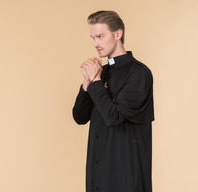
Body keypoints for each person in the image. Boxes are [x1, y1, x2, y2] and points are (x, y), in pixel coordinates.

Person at [72, 10, 154, 192]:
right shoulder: (103, 74)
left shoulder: (139, 73)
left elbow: (113, 117)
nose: (96, 44)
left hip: (126, 177)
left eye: (100, 37)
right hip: (98, 176)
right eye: (93, 38)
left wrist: (96, 82)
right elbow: (79, 117)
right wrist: (87, 85)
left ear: (118, 34)